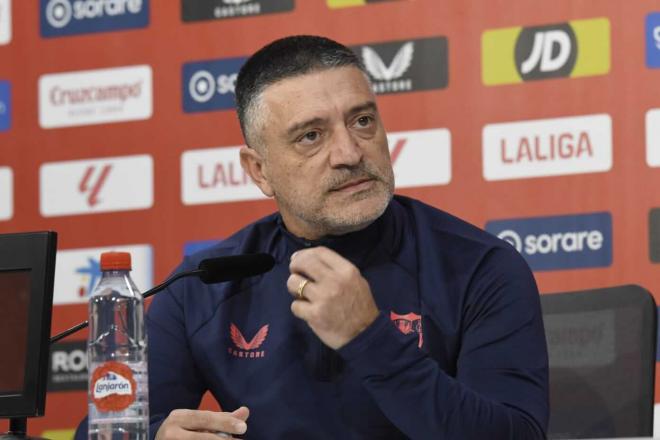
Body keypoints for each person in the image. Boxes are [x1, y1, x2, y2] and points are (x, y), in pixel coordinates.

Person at [80, 35, 549, 439]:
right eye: (311, 136)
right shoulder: (203, 286)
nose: (348, 153)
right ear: (259, 170)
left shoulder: (480, 267)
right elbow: (103, 428)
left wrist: (369, 338)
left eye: (362, 121)